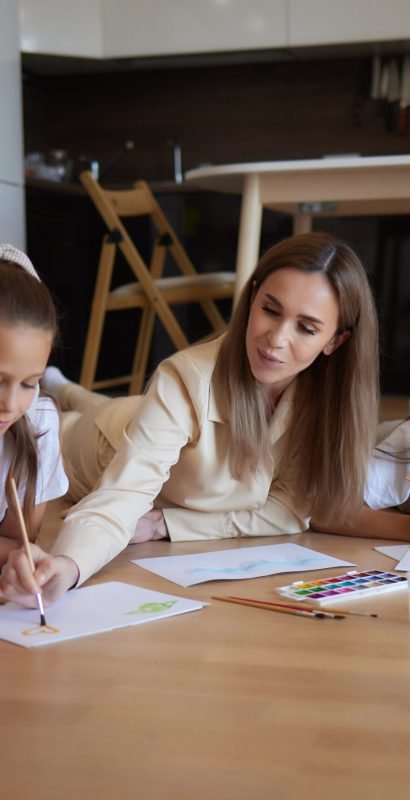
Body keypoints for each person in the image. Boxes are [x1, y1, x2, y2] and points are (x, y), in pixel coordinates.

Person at [1, 231, 409, 608]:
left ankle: (64, 384)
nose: (277, 339)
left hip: (148, 434)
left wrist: (169, 524)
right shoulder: (185, 375)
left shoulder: (327, 399)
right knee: (67, 417)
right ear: (251, 299)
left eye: (306, 328)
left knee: (105, 400)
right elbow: (120, 500)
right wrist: (69, 567)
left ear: (335, 341)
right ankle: (58, 389)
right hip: (99, 445)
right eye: (270, 310)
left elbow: (291, 510)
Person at [0, 244, 68, 568]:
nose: (10, 406)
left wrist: (23, 561)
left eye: (29, 383)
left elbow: (16, 542)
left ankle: (66, 387)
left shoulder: (38, 421)